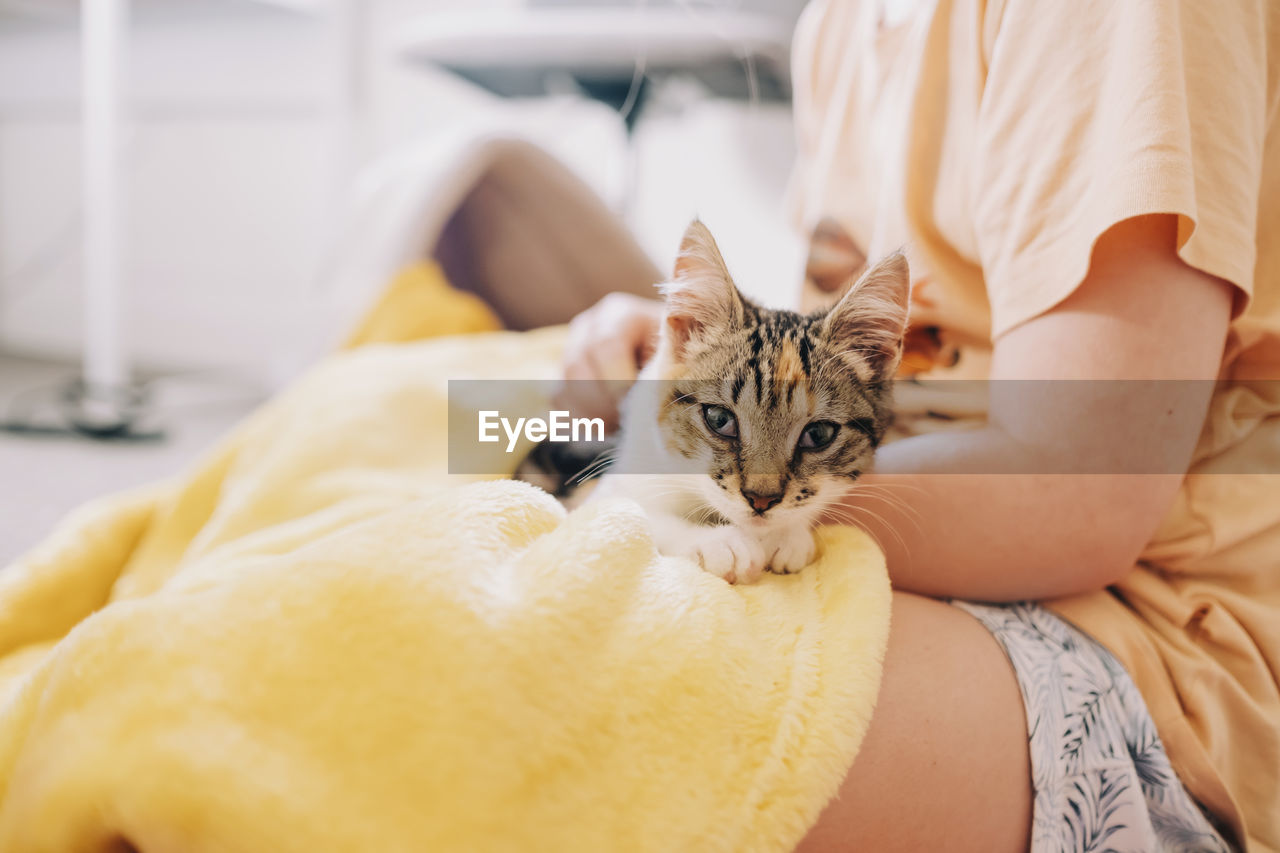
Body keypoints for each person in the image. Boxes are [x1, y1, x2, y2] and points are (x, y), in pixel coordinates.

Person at [556, 1, 1280, 850]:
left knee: (549, 688)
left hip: (1146, 639)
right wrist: (672, 367)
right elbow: (812, 354)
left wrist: (687, 498)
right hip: (907, 508)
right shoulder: (838, 21)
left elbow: (1079, 495)